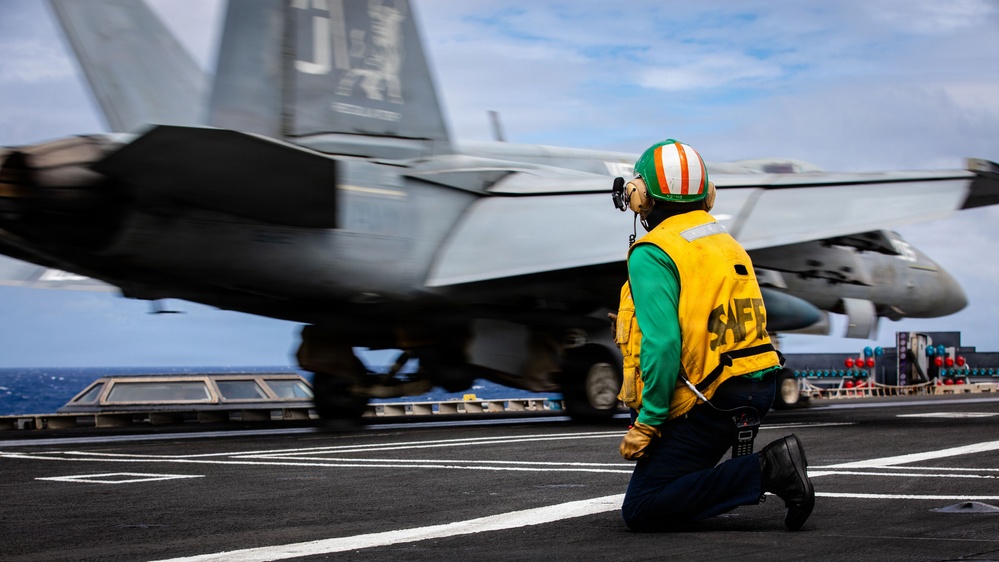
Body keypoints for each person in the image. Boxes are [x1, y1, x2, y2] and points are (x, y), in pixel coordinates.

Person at [612, 139, 815, 531]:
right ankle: (766, 469)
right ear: (707, 195)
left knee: (643, 506)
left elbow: (663, 343)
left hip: (710, 398)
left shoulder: (654, 251)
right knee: (678, 480)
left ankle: (770, 469)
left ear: (640, 197)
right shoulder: (727, 244)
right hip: (757, 387)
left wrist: (649, 421)